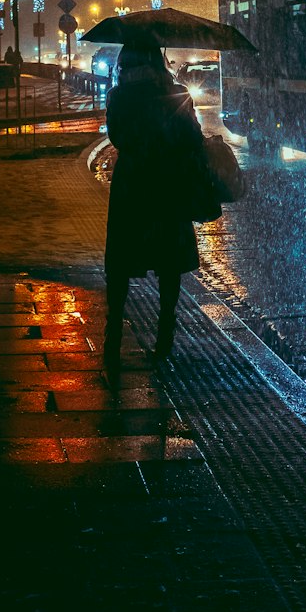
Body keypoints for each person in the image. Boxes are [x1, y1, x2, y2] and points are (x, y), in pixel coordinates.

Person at [102, 36, 207, 377]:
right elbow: (192, 137)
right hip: (167, 182)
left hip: (132, 184)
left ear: (125, 62)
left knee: (120, 261)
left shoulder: (118, 96)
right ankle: (165, 334)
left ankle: (113, 334)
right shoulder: (174, 93)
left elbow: (117, 137)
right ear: (158, 62)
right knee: (168, 259)